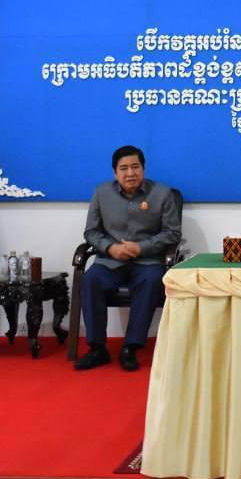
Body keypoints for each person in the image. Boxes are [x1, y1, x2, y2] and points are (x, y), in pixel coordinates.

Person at [75, 145, 183, 372]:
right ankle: (97, 348)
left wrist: (141, 247)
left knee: (151, 281)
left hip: (147, 261)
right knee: (91, 279)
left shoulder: (162, 194)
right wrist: (110, 248)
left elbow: (172, 233)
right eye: (123, 168)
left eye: (135, 167)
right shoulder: (101, 193)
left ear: (143, 168)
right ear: (115, 172)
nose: (130, 173)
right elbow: (91, 232)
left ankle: (131, 347)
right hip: (110, 261)